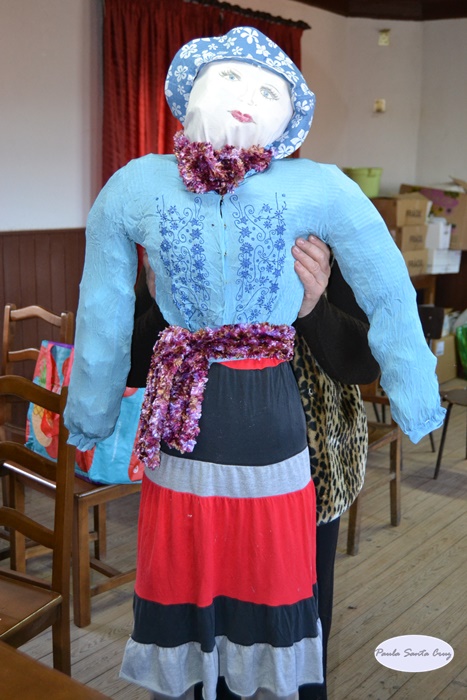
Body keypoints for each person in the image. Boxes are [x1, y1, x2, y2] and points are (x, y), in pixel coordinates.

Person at [64, 26, 444, 700]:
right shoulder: (137, 186)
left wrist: (413, 395)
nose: (245, 97)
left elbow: (388, 294)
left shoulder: (317, 192)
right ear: (190, 90)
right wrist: (91, 411)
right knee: (189, 590)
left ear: (290, 116)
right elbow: (102, 314)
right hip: (188, 434)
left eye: (268, 90)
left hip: (282, 432)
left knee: (276, 599)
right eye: (229, 78)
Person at [127, 238, 379, 700]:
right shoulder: (176, 227)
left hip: (303, 475)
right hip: (189, 483)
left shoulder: (317, 227)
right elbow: (131, 362)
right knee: (192, 642)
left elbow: (363, 360)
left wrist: (314, 305)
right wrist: (164, 305)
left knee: (285, 650)